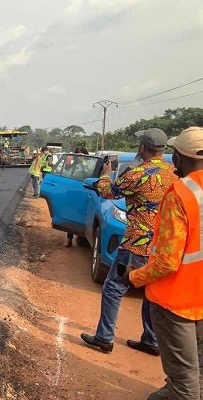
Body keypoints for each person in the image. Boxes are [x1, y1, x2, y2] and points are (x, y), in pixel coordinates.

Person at [80, 128, 177, 354]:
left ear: (142, 147)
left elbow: (108, 192)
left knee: (114, 287)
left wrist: (106, 173)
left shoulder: (137, 174)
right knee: (151, 291)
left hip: (137, 245)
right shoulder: (175, 172)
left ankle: (104, 338)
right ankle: (151, 341)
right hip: (163, 245)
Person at [127, 126, 203, 400]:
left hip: (177, 300)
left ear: (179, 157)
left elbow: (168, 262)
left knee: (185, 380)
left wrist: (135, 277)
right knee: (199, 370)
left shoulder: (181, 193)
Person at [64, 147, 90, 247]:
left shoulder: (90, 165)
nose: (79, 156)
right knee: (71, 215)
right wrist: (67, 165)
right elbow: (67, 175)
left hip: (85, 192)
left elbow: (89, 173)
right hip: (72, 192)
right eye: (77, 154)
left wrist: (83, 162)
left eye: (81, 154)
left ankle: (82, 237)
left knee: (82, 215)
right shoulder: (73, 166)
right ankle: (69, 239)